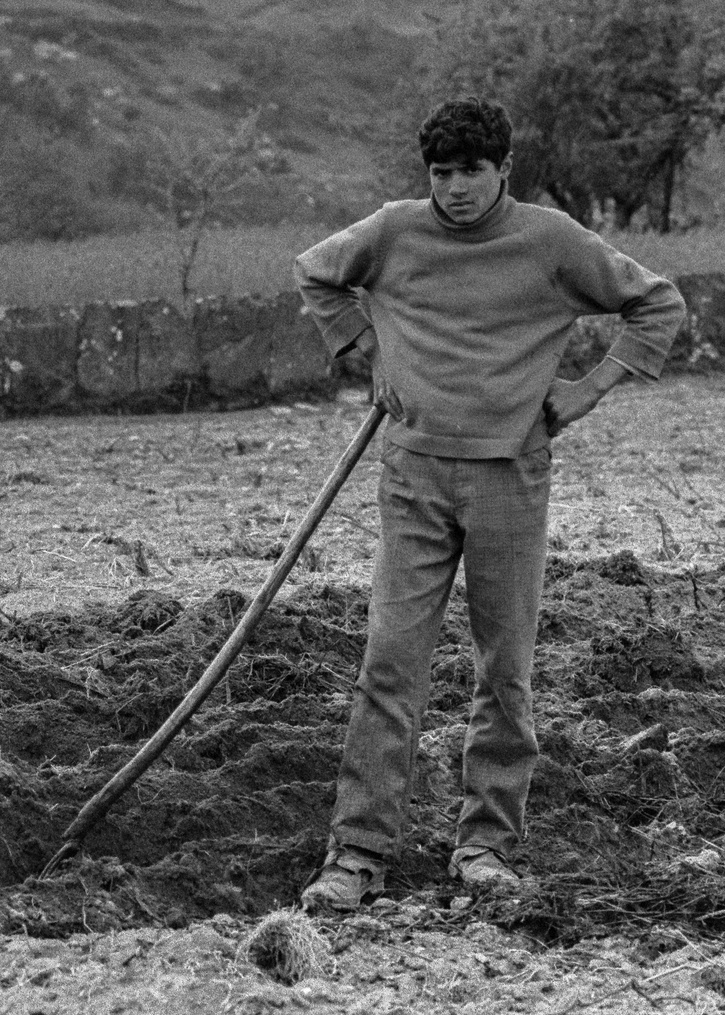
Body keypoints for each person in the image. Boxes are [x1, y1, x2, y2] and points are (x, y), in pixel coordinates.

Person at [293, 97, 686, 911]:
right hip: (412, 478)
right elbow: (317, 272)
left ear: (503, 169)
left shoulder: (551, 240)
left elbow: (658, 302)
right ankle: (358, 853)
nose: (455, 190)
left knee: (504, 670)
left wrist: (590, 388)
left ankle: (486, 848)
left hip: (511, 476)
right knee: (389, 666)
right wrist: (365, 349)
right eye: (441, 173)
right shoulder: (396, 230)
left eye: (471, 171)